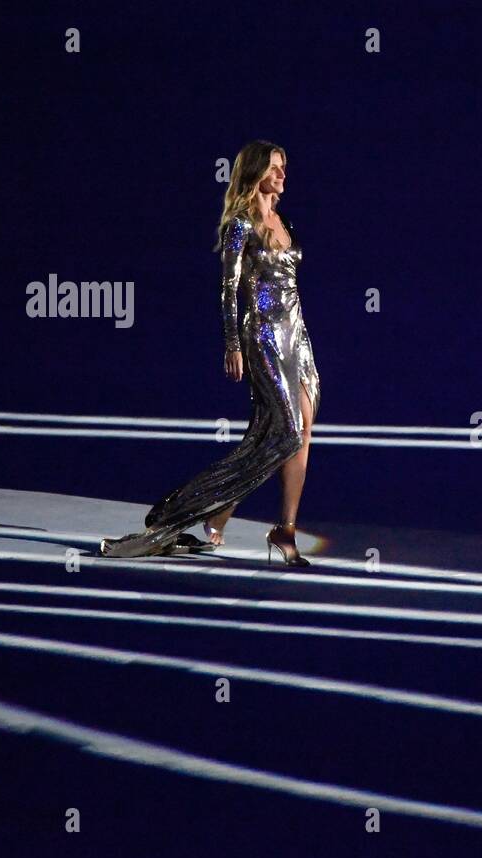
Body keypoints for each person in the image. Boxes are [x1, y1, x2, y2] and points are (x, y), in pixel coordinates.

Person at [98, 140, 320, 566]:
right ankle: (185, 509)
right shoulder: (241, 224)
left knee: (298, 433)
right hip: (265, 337)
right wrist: (233, 344)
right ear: (256, 173)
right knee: (286, 434)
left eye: (284, 168)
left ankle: (284, 529)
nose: (282, 175)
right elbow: (229, 289)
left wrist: (301, 338)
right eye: (274, 168)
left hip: (298, 337)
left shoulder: (283, 218)